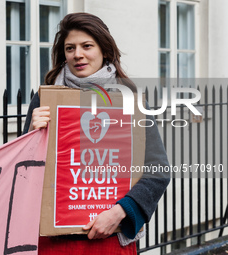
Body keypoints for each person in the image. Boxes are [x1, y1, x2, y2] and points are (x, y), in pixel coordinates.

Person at [23, 12, 170, 255]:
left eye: (86, 46)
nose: (77, 54)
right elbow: (23, 172)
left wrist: (121, 212)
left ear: (104, 50)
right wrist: (30, 137)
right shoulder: (44, 99)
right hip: (54, 242)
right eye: (70, 48)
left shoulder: (130, 100)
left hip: (110, 238)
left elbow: (157, 170)